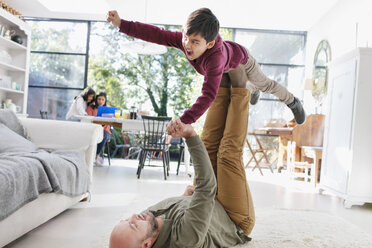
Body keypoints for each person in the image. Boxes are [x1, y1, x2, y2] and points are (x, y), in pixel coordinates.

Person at [109, 85, 255, 248]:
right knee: (228, 155)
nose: (135, 216)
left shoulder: (147, 224)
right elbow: (207, 188)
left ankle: (221, 79)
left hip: (203, 201)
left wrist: (183, 197)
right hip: (232, 217)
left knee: (207, 146)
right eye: (133, 225)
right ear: (146, 245)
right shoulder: (184, 242)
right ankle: (242, 87)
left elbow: (192, 204)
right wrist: (190, 136)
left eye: (127, 219)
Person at [106, 8, 306, 125]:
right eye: (186, 37)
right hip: (228, 68)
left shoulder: (214, 59)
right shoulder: (185, 41)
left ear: (209, 44)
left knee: (265, 84)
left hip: (244, 60)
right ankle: (251, 90)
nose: (187, 44)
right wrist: (121, 23)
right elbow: (155, 34)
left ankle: (292, 101)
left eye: (194, 42)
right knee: (241, 87)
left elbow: (207, 95)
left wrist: (184, 120)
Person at [86, 92, 111, 166]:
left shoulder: (108, 108)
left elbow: (110, 121)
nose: (100, 101)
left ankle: (96, 156)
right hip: (93, 129)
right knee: (93, 135)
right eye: (99, 99)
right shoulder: (91, 107)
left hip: (105, 131)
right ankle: (91, 156)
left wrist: (103, 125)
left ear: (105, 100)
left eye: (103, 99)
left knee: (104, 135)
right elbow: (88, 119)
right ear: (96, 99)